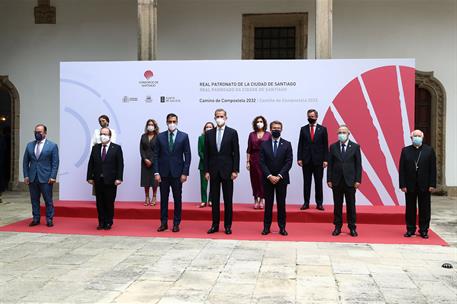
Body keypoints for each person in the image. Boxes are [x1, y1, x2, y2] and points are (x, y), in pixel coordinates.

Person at [154, 113, 191, 233]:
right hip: (163, 173)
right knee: (163, 199)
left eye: (174, 121)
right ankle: (163, 223)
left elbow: (188, 155)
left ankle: (176, 223)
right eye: (170, 121)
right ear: (166, 122)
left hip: (177, 174)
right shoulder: (160, 136)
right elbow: (155, 155)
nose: (172, 124)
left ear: (177, 122)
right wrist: (156, 172)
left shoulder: (184, 136)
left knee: (177, 199)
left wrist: (185, 173)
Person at [205, 109, 240, 235]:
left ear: (226, 117)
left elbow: (236, 153)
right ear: (214, 118)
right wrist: (206, 170)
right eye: (217, 116)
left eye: (222, 116)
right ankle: (215, 225)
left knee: (228, 200)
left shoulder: (232, 132)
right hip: (213, 171)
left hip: (228, 171)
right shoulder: (209, 133)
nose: (219, 118)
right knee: (214, 200)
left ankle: (227, 226)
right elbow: (206, 154)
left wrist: (235, 170)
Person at [399, 130, 436, 239]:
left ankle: (424, 230)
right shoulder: (405, 151)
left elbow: (433, 169)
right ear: (411, 138)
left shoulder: (429, 150)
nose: (417, 137)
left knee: (424, 208)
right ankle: (410, 229)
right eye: (415, 136)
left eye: (419, 136)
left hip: (425, 185)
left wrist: (432, 184)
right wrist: (402, 184)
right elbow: (402, 169)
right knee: (410, 208)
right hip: (410, 185)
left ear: (422, 138)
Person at [327, 125, 361, 237]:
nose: (341, 134)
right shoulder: (333, 147)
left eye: (344, 132)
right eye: (340, 132)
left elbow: (358, 165)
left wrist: (357, 180)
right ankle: (337, 227)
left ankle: (352, 227)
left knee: (351, 205)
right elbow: (330, 164)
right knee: (337, 205)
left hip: (350, 181)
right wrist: (329, 179)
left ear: (348, 133)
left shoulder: (355, 147)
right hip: (336, 181)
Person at [259, 121, 292, 236]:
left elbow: (288, 162)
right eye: (274, 128)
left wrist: (279, 176)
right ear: (270, 129)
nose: (276, 130)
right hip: (267, 179)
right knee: (268, 204)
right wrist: (269, 176)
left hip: (282, 179)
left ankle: (282, 228)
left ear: (281, 129)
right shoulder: (263, 144)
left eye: (278, 128)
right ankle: (266, 227)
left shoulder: (287, 144)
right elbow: (261, 162)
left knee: (281, 204)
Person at [87, 127, 124, 230]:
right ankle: (101, 222)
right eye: (101, 134)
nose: (103, 136)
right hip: (98, 180)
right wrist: (89, 177)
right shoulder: (95, 148)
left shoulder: (116, 148)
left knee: (109, 202)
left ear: (110, 136)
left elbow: (120, 164)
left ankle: (109, 222)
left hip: (111, 180)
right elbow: (91, 163)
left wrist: (119, 178)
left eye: (105, 134)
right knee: (99, 202)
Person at [23, 124, 59, 227]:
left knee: (48, 200)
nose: (37, 134)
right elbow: (25, 162)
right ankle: (36, 218)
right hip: (32, 177)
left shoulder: (52, 146)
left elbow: (55, 163)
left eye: (39, 132)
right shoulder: (29, 145)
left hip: (46, 177)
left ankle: (49, 219)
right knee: (34, 199)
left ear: (45, 133)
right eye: (35, 132)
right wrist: (26, 175)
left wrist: (53, 176)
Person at [297, 109, 328, 211]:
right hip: (306, 160)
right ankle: (306, 203)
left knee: (318, 183)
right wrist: (299, 158)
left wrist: (325, 159)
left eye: (312, 116)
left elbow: (325, 146)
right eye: (309, 116)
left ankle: (319, 203)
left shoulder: (323, 129)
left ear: (316, 117)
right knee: (307, 182)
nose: (310, 118)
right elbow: (300, 144)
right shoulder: (303, 129)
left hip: (319, 161)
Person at [247, 115, 271, 209]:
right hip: (254, 159)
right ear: (255, 124)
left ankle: (262, 199)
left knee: (263, 180)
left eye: (261, 121)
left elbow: (270, 148)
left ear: (264, 123)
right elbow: (249, 149)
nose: (259, 123)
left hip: (265, 160)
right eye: (257, 121)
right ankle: (255, 199)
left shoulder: (268, 134)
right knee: (254, 179)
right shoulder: (251, 134)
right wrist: (247, 162)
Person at [140, 119, 159, 206]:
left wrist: (151, 160)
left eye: (152, 124)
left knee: (154, 180)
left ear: (155, 127)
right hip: (145, 162)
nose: (150, 126)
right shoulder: (143, 136)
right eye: (149, 124)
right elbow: (141, 149)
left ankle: (154, 197)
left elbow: (158, 150)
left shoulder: (158, 137)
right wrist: (145, 159)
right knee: (146, 180)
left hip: (155, 161)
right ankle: (147, 197)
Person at [198, 122, 214, 208]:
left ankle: (211, 200)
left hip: (214, 164)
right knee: (203, 184)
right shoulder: (201, 138)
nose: (208, 128)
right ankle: (203, 201)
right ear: (204, 129)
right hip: (203, 164)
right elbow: (200, 151)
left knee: (213, 184)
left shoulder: (216, 138)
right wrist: (206, 160)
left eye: (210, 127)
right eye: (207, 127)